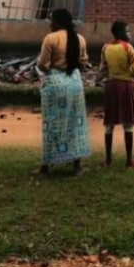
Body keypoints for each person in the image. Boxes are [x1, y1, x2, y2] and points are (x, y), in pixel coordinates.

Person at [36, 9, 91, 176]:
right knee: (75, 123)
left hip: (56, 84)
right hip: (75, 83)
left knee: (52, 125)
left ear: (58, 22)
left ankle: (46, 166)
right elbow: (83, 62)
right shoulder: (79, 39)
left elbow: (42, 64)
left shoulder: (50, 38)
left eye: (51, 20)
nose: (49, 23)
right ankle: (77, 166)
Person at [99, 21, 134, 168]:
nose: (129, 34)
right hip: (126, 86)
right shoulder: (128, 47)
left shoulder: (105, 48)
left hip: (111, 86)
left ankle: (108, 159)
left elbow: (102, 69)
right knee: (128, 123)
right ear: (120, 33)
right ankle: (129, 160)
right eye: (127, 31)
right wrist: (128, 72)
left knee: (109, 123)